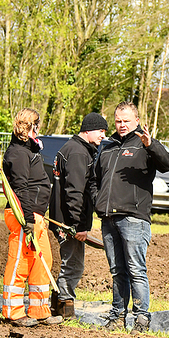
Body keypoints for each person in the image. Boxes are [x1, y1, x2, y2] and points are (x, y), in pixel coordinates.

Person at [94, 101, 169, 334]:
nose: (121, 125)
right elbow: (95, 179)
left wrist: (152, 146)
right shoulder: (107, 146)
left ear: (136, 121)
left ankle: (142, 318)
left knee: (136, 269)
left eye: (126, 121)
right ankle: (117, 315)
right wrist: (98, 201)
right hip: (108, 218)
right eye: (118, 121)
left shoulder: (144, 145)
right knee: (117, 270)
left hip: (133, 218)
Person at [1, 108, 63, 327]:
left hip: (36, 216)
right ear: (30, 126)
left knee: (43, 260)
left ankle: (39, 310)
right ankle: (13, 312)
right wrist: (27, 220)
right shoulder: (17, 153)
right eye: (37, 126)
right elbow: (20, 188)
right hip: (23, 217)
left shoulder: (30, 150)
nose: (40, 130)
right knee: (20, 263)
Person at [48, 112, 108, 319]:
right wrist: (78, 225)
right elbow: (74, 192)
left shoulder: (73, 148)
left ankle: (56, 303)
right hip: (69, 222)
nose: (103, 135)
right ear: (89, 129)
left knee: (70, 261)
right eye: (101, 131)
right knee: (73, 264)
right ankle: (65, 307)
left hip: (63, 219)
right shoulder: (78, 154)